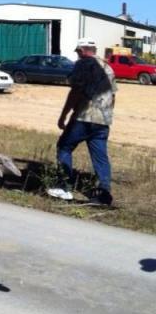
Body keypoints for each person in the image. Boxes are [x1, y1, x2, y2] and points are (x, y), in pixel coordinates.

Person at [47, 38, 116, 206]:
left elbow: (75, 92)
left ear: (84, 50)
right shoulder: (108, 67)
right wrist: (106, 115)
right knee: (100, 156)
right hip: (103, 120)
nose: (77, 55)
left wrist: (64, 115)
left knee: (64, 146)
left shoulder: (82, 65)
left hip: (84, 117)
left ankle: (64, 187)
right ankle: (104, 194)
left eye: (78, 51)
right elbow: (113, 96)